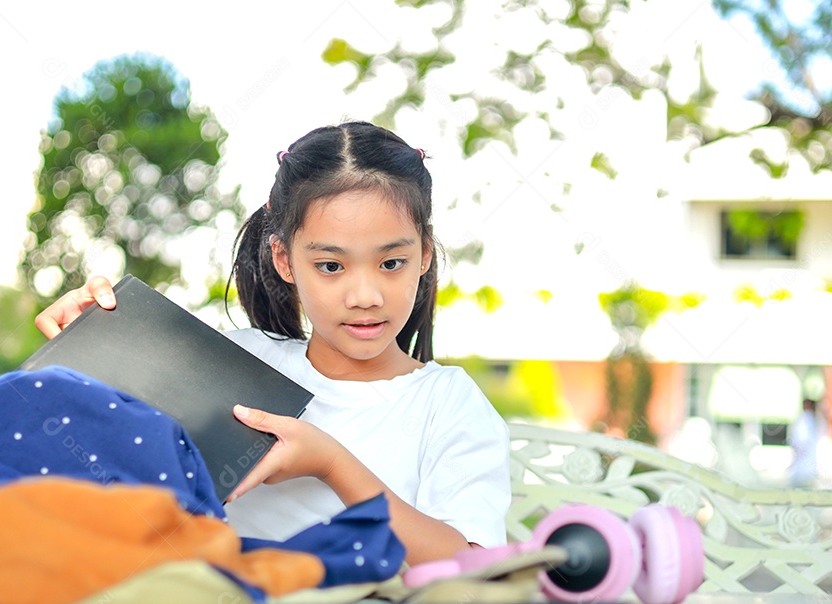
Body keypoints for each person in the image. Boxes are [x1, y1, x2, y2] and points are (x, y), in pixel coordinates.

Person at [36, 121, 511, 565]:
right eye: (331, 266)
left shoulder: (447, 402)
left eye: (391, 264)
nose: (365, 297)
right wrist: (88, 346)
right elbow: (106, 460)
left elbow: (470, 565)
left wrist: (332, 464)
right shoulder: (237, 360)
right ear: (284, 260)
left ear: (424, 254)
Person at [788, 398, 821, 489]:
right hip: (806, 467)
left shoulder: (806, 419)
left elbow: (801, 440)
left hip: (803, 468)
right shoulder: (811, 419)